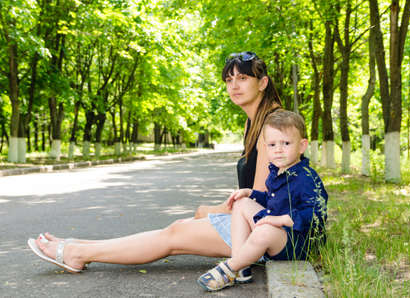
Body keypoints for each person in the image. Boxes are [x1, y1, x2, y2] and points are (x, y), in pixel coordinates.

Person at [27, 51, 282, 281]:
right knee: (180, 227)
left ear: (263, 83)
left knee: (174, 234)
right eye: (229, 80)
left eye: (243, 78)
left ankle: (76, 253)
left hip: (269, 232)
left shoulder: (271, 125)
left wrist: (213, 209)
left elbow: (261, 202)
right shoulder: (255, 122)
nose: (234, 86)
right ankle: (78, 244)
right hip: (258, 224)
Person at [197, 110, 328, 291]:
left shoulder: (306, 178)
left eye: (286, 143)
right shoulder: (277, 172)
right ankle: (241, 267)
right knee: (240, 202)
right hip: (278, 234)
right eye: (273, 144)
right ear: (265, 148)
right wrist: (251, 193)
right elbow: (272, 200)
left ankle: (229, 268)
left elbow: (315, 214)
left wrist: (279, 220)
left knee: (265, 230)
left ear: (302, 145)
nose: (279, 149)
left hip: (296, 244)